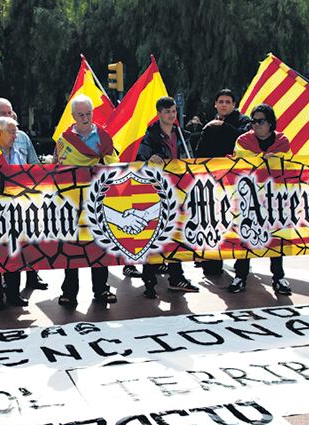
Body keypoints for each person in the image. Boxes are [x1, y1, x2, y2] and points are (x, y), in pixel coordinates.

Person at [54, 95, 119, 306]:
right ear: (73, 116)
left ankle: (101, 290)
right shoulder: (64, 141)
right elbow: (58, 168)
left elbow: (114, 165)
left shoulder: (103, 136)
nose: (85, 117)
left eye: (88, 113)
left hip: (97, 201)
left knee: (99, 245)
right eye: (80, 114)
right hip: (71, 203)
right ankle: (69, 292)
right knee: (71, 247)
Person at [135, 96, 200, 298]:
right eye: (167, 112)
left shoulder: (182, 135)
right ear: (159, 114)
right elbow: (139, 163)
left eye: (173, 111)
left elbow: (191, 160)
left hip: (180, 192)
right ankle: (149, 280)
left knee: (176, 235)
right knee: (155, 236)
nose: (171, 115)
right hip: (158, 193)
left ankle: (176, 277)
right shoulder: (150, 137)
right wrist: (150, 160)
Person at [230, 104, 292, 295]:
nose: (255, 125)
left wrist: (267, 160)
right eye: (253, 121)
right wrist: (266, 159)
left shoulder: (282, 140)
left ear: (270, 123)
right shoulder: (243, 140)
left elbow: (287, 162)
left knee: (276, 237)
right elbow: (243, 162)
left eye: (260, 121)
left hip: (274, 199)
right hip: (248, 198)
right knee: (245, 236)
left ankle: (279, 277)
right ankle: (240, 276)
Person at [0, 97, 48, 291]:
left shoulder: (21, 137)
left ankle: (33, 277)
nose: (8, 117)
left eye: (10, 112)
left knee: (28, 240)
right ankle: (1, 288)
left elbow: (33, 164)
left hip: (23, 200)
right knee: (2, 246)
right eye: (3, 114)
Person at [195, 88, 252, 276]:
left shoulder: (244, 121)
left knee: (239, 221)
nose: (224, 104)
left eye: (228, 101)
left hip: (238, 182)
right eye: (221, 101)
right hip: (213, 182)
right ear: (216, 104)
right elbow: (200, 150)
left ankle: (241, 265)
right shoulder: (209, 123)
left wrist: (221, 126)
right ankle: (212, 262)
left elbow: (244, 140)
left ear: (234, 105)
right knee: (214, 220)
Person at [0, 116, 31, 311]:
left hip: (15, 213)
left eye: (15, 131)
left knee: (14, 253)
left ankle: (13, 293)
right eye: (11, 131)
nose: (15, 135)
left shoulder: (18, 153)